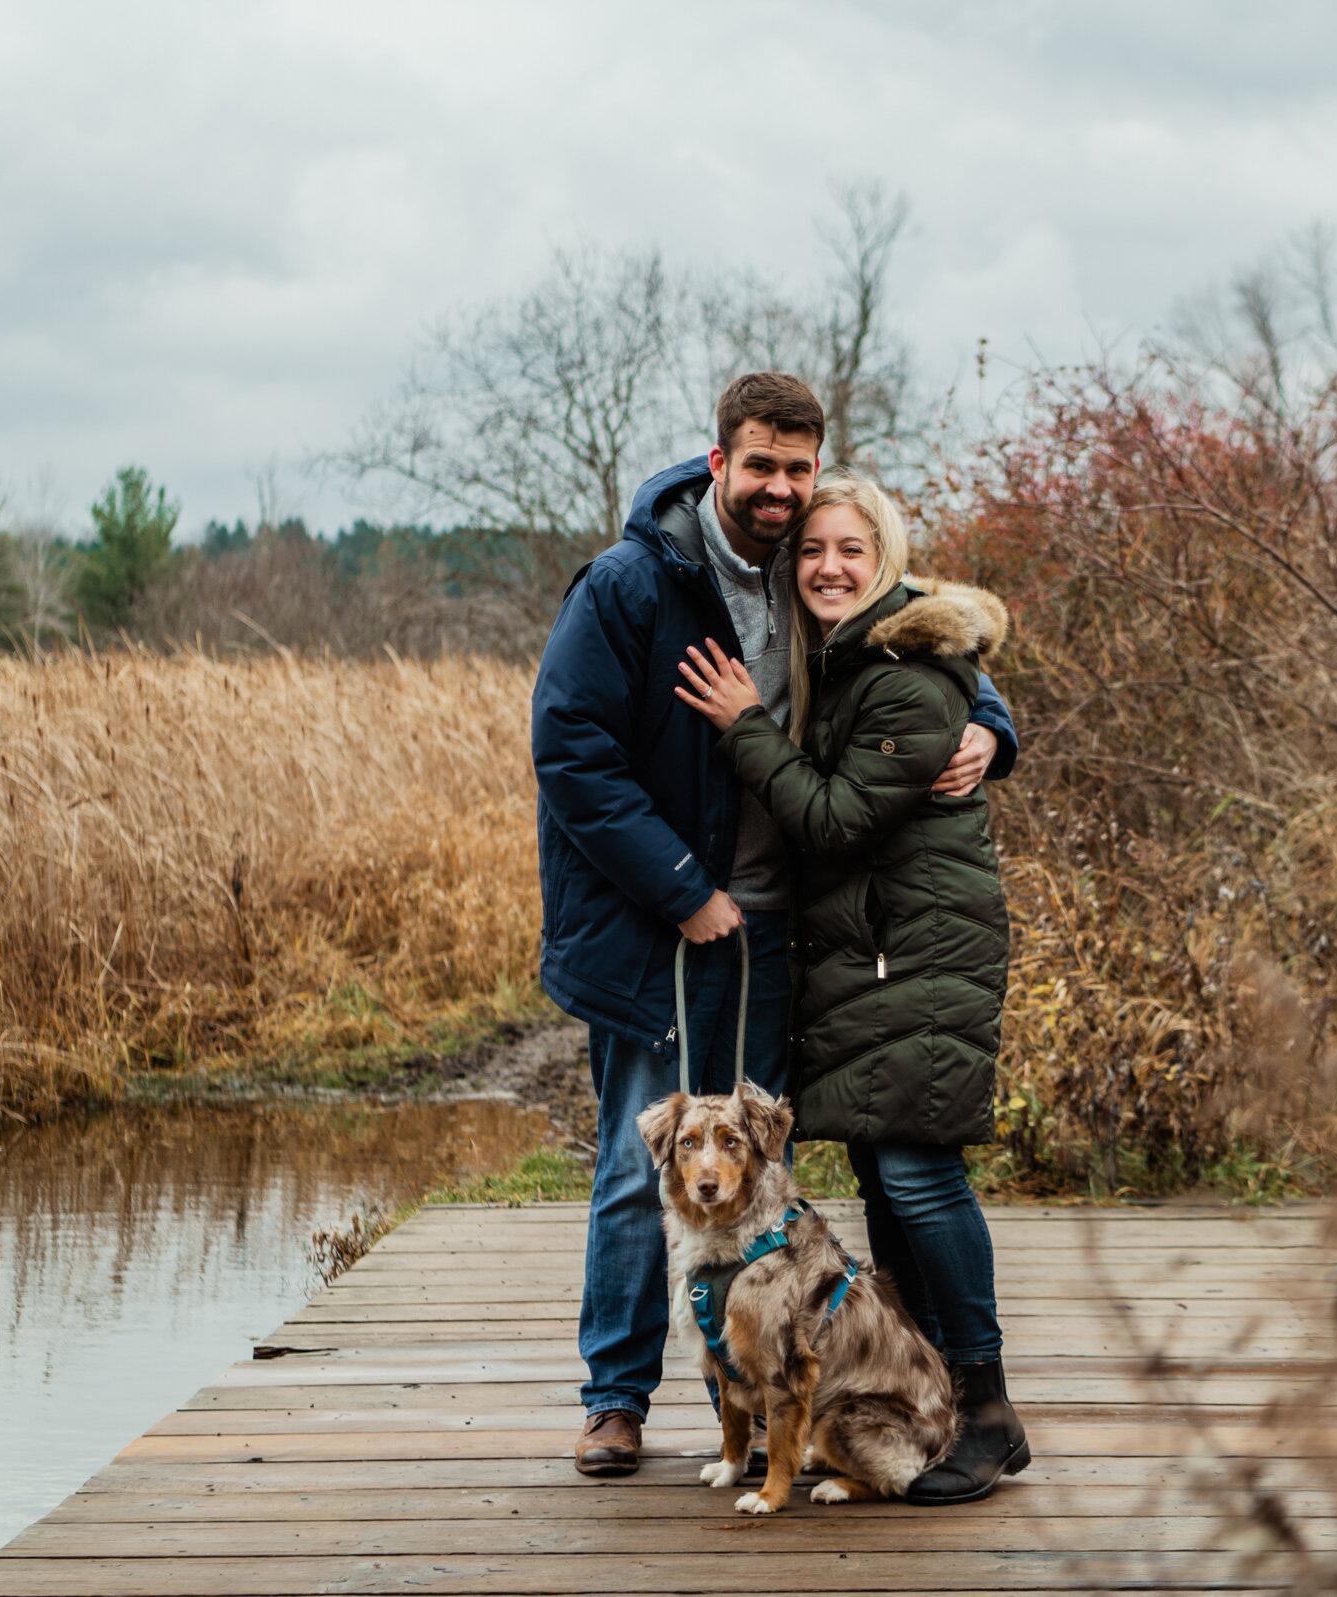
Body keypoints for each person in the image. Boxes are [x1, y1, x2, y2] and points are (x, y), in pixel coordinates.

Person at [531, 373, 1019, 1478]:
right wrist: (681, 889)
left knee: (757, 1174)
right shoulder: (633, 585)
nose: (781, 490)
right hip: (668, 926)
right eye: (761, 467)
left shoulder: (813, 568)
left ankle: (766, 1403)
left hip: (784, 934)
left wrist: (994, 724)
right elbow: (570, 750)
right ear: (718, 463)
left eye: (798, 471)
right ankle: (615, 1398)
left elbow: (929, 641)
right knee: (634, 1164)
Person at [672, 473, 1027, 1505]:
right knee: (887, 1182)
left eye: (852, 551)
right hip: (872, 955)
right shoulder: (854, 652)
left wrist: (746, 723)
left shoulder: (908, 671)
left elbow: (829, 819)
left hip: (916, 953)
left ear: (889, 563)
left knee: (920, 1180)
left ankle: (991, 1411)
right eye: (814, 550)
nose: (829, 566)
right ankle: (937, 1404)